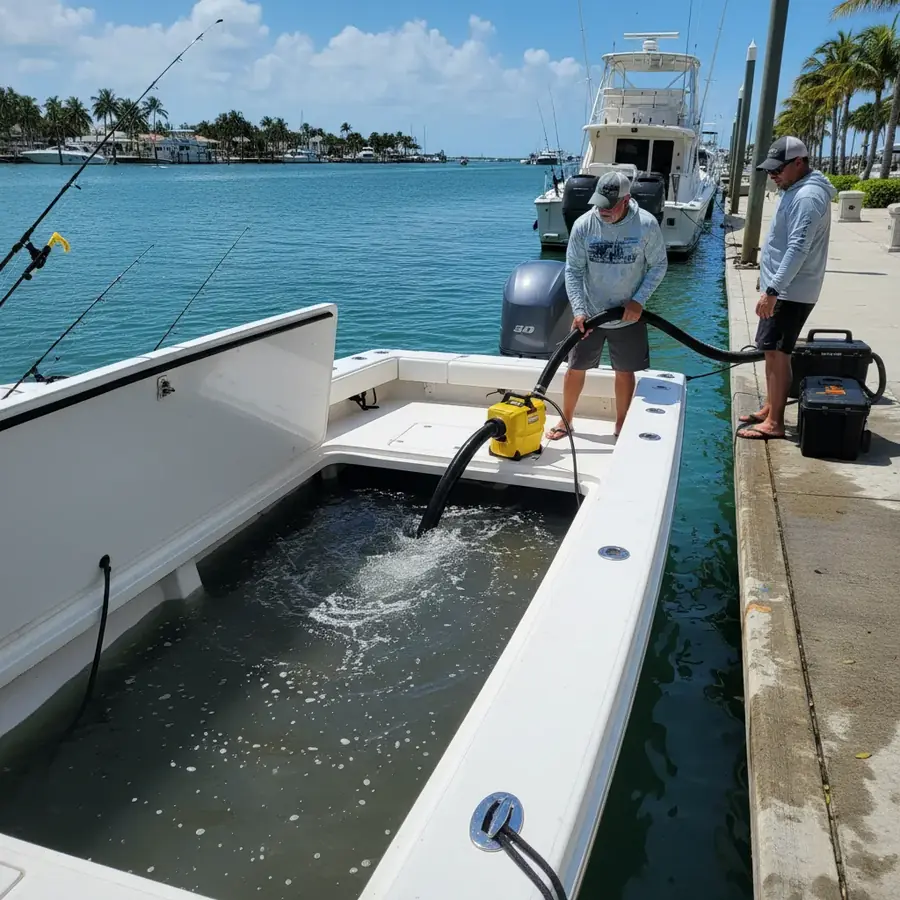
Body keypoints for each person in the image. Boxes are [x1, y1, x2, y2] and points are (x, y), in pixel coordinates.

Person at [547, 170, 667, 441]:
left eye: (609, 205)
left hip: (629, 313)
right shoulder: (583, 225)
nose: (602, 210)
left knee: (624, 371)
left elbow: (659, 264)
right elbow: (573, 271)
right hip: (589, 313)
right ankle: (566, 419)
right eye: (599, 203)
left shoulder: (646, 225)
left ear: (626, 200)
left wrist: (639, 300)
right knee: (575, 367)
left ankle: (622, 423)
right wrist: (578, 310)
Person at [739, 136, 836, 440]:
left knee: (778, 353)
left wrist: (773, 289)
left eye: (777, 170)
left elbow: (798, 247)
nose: (773, 176)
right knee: (772, 352)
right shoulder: (795, 189)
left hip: (790, 292)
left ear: (799, 163)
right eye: (769, 171)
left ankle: (775, 424)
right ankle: (771, 406)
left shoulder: (808, 197)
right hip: (784, 289)